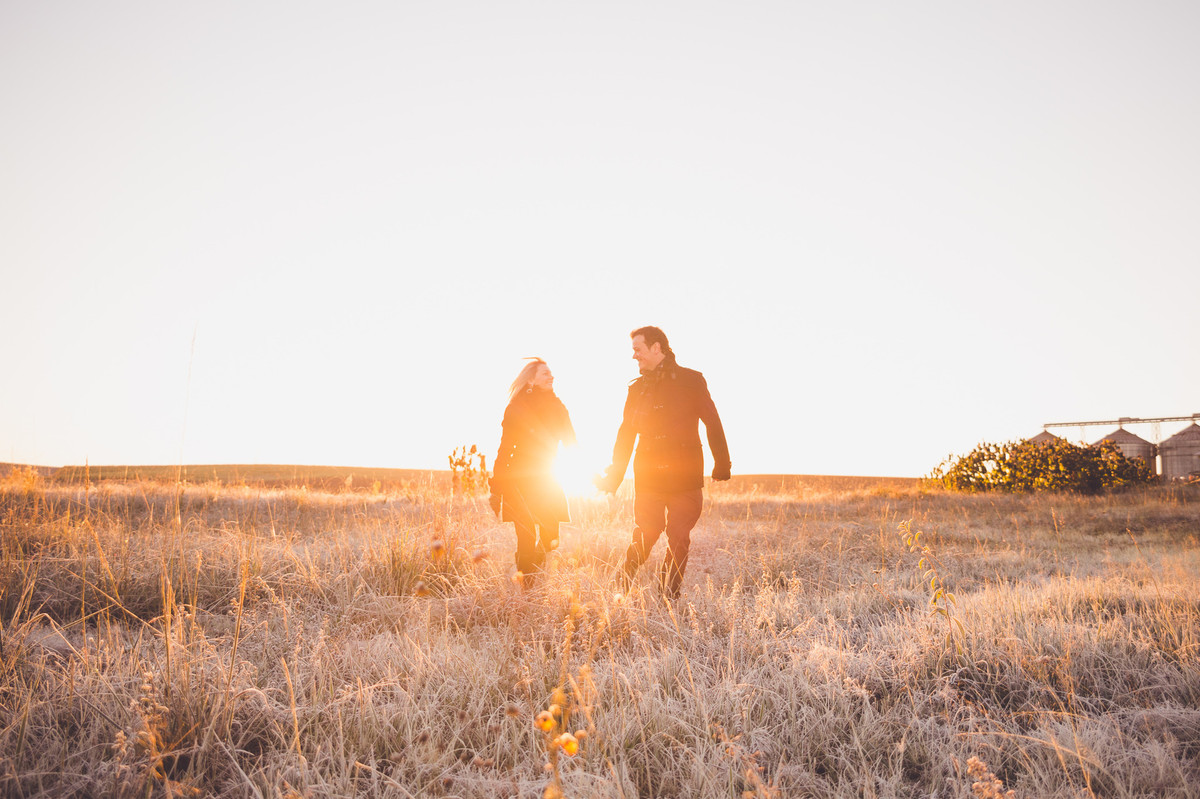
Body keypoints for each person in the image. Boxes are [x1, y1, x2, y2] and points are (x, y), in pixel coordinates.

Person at [595, 326, 731, 599]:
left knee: (679, 538)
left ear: (657, 347)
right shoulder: (637, 389)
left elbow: (712, 421)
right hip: (649, 476)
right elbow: (626, 434)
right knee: (646, 533)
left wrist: (721, 465)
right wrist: (614, 476)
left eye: (638, 349)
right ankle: (621, 586)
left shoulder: (692, 380)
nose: (634, 356)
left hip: (685, 476)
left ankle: (668, 598)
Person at [490, 358, 577, 587]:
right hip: (519, 482)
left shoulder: (558, 407)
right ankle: (527, 591)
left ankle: (530, 572)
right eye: (545, 374)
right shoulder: (516, 408)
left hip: (548, 479)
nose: (551, 377)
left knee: (551, 539)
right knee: (526, 539)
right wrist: (496, 489)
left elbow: (571, 443)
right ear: (531, 379)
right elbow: (505, 449)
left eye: (551, 374)